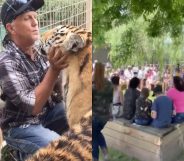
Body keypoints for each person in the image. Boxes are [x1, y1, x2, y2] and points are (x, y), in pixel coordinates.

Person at [0, 0, 69, 158]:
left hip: (47, 114)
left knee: (83, 116)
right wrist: (54, 69)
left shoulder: (39, 51)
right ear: (11, 28)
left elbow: (56, 90)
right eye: (27, 18)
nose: (35, 22)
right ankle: (18, 152)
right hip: (19, 126)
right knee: (60, 150)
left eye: (35, 17)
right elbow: (33, 106)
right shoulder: (6, 61)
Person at [92, 62, 113, 161]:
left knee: (94, 138)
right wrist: (110, 114)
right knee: (97, 133)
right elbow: (110, 101)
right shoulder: (109, 84)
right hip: (105, 117)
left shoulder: (92, 85)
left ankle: (95, 158)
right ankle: (105, 153)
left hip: (94, 116)